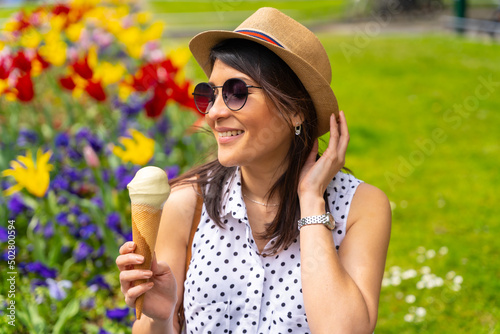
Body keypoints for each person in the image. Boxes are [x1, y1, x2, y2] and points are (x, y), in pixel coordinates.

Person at [116, 7, 391, 334]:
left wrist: (311, 200)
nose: (214, 113)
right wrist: (159, 318)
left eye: (236, 93)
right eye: (209, 95)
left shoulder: (360, 207)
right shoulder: (188, 203)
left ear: (294, 110)